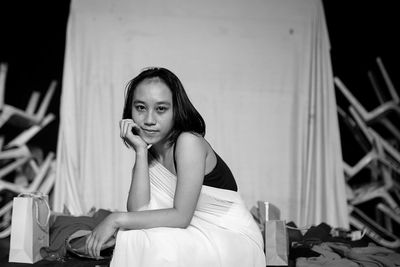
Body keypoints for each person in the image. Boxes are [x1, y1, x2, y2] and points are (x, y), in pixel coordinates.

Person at [86, 67, 266, 266]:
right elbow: (138, 214)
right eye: (140, 107)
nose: (149, 120)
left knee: (158, 245)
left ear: (176, 111)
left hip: (230, 235)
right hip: (194, 231)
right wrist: (140, 151)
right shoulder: (149, 154)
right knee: (134, 237)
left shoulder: (189, 142)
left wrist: (115, 219)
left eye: (161, 109)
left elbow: (181, 217)